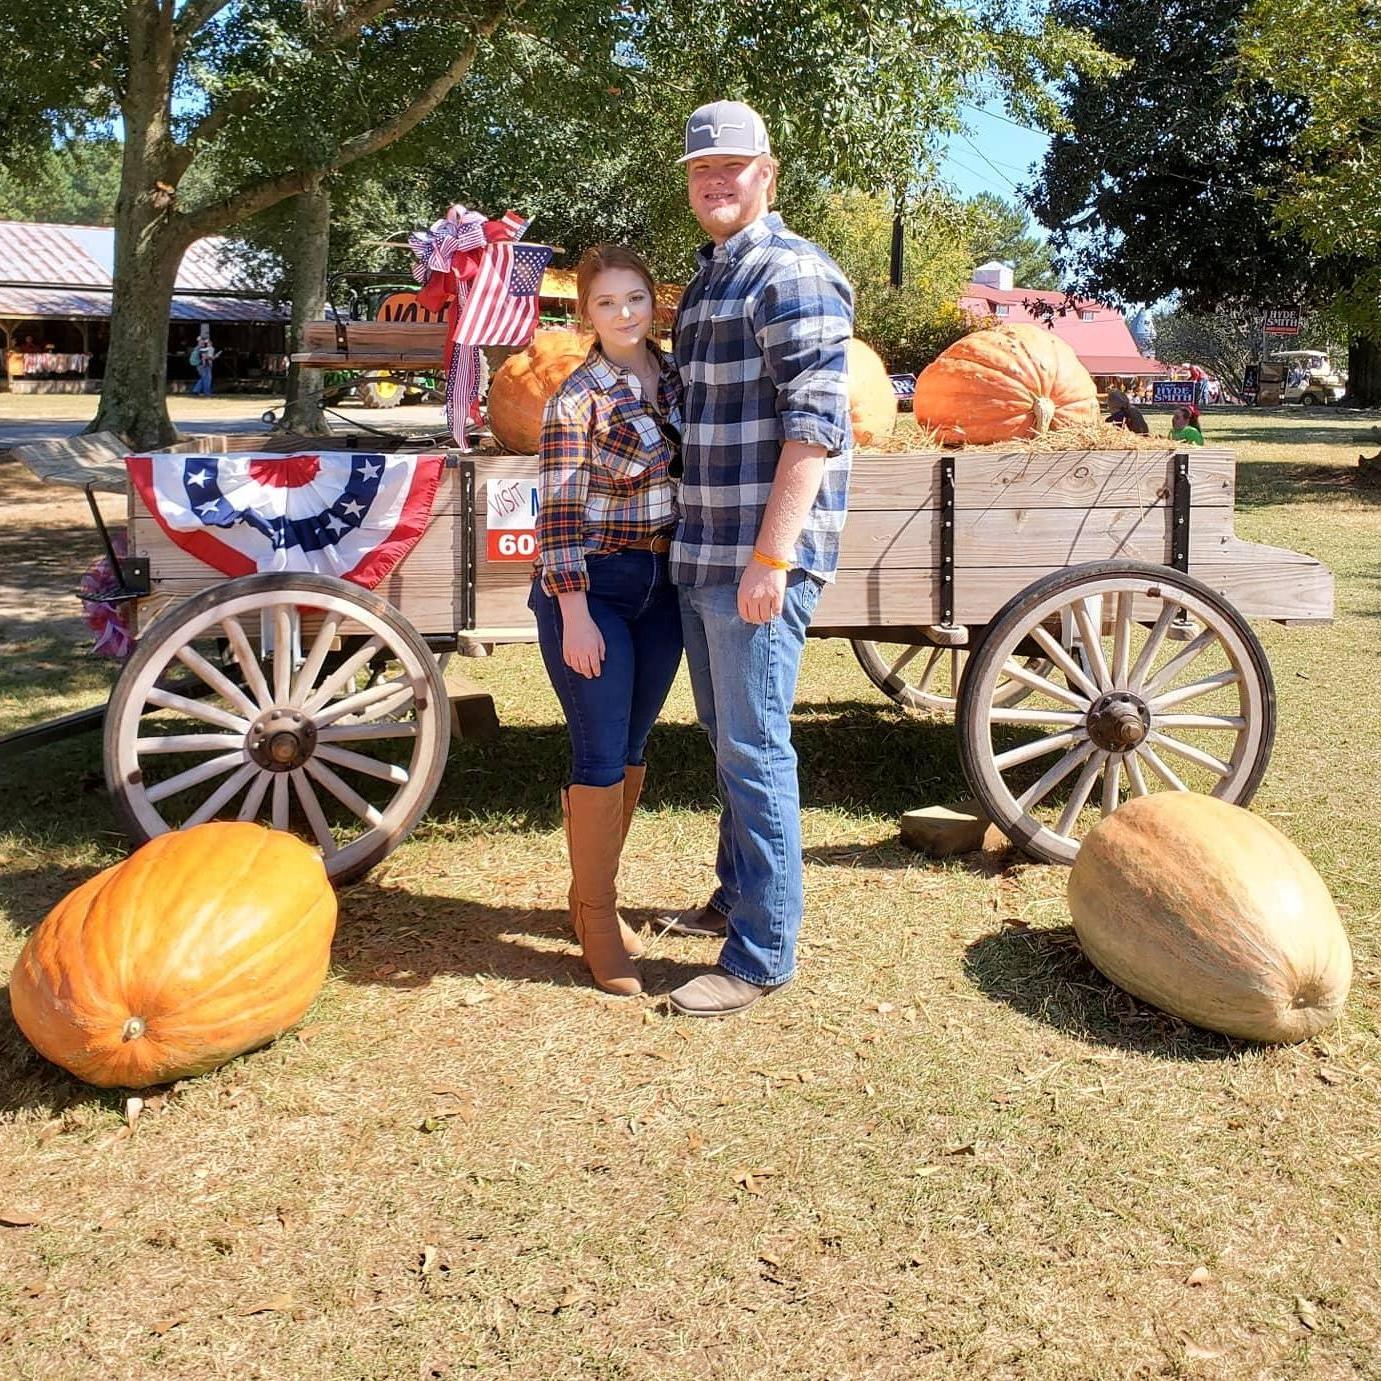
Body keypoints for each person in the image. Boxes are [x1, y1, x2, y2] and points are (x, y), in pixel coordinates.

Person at [662, 100, 854, 1018]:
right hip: (703, 549)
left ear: (766, 173)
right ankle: (736, 895)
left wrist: (772, 558)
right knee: (725, 739)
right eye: (702, 169)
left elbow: (816, 426)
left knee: (753, 745)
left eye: (732, 167)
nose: (715, 180)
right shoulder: (707, 282)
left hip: (755, 558)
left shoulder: (792, 272)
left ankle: (761, 953)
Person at [530, 244, 685, 997]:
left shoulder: (679, 378)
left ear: (652, 301)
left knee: (630, 744)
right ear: (583, 314)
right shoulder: (576, 397)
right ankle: (597, 919)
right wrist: (574, 613)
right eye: (605, 303)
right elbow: (557, 510)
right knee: (596, 754)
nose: (623, 313)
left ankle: (585, 898)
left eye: (634, 298)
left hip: (665, 586)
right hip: (594, 585)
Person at [190, 329, 218, 396]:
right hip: (203, 365)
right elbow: (205, 357)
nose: (204, 343)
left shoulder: (196, 348)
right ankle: (207, 392)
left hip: (199, 365)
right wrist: (214, 357)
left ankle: (196, 390)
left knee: (203, 378)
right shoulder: (202, 349)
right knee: (207, 379)